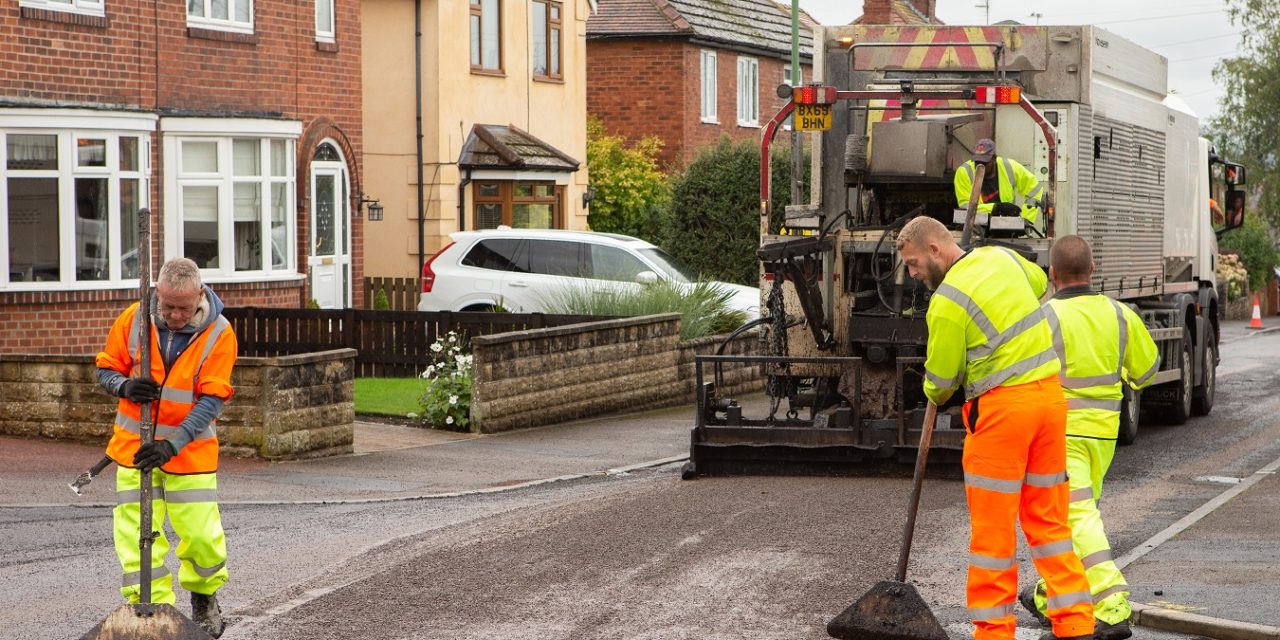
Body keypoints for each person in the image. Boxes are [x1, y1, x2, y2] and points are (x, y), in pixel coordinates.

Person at [895, 216, 1094, 640]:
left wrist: (931, 386)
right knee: (1049, 521)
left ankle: (994, 632)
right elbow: (1041, 284)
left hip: (1003, 414)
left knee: (993, 531)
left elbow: (944, 380)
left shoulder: (946, 301)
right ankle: (1076, 622)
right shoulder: (1002, 257)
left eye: (913, 264)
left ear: (935, 250)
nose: (912, 275)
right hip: (1048, 401)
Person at [1019, 236, 1159, 640]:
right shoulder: (1119, 314)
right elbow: (1147, 370)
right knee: (1073, 515)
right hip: (1104, 436)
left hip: (1061, 435)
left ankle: (1112, 604)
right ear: (1093, 271)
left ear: (1052, 274)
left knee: (1077, 517)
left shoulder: (1044, 318)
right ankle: (1053, 595)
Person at [95, 257, 238, 638]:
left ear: (200, 295)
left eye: (184, 308)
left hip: (189, 454)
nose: (174, 315)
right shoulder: (133, 320)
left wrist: (171, 444)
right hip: (133, 449)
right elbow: (105, 368)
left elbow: (211, 401)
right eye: (168, 306)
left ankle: (205, 597)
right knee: (135, 536)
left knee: (201, 535)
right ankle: (155, 609)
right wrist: (123, 386)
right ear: (157, 293)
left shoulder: (219, 333)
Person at [954, 138, 1046, 230]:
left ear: (994, 158)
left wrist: (1026, 220)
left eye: (985, 163)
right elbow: (966, 207)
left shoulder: (1010, 167)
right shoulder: (964, 172)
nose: (980, 166)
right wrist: (996, 208)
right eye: (977, 162)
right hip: (976, 227)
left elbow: (1034, 190)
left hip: (1006, 226)